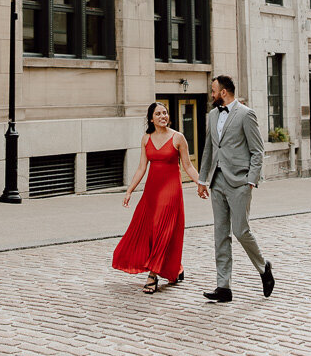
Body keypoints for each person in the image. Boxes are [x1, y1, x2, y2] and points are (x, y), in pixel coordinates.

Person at [197, 75, 275, 302]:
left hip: (240, 181)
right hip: (217, 181)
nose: (211, 95)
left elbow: (257, 150)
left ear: (223, 92)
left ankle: (264, 268)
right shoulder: (212, 115)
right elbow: (209, 150)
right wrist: (203, 180)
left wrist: (252, 179)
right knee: (221, 234)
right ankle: (224, 287)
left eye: (214, 91)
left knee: (241, 231)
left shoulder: (246, 114)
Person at [112, 101, 200, 293]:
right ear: (151, 119)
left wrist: (199, 183)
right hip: (152, 191)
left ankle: (153, 275)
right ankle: (175, 267)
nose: (163, 116)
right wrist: (129, 191)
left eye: (165, 113)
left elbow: (188, 166)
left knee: (163, 228)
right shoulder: (146, 139)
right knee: (150, 230)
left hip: (171, 191)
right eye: (158, 114)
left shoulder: (178, 138)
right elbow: (142, 168)